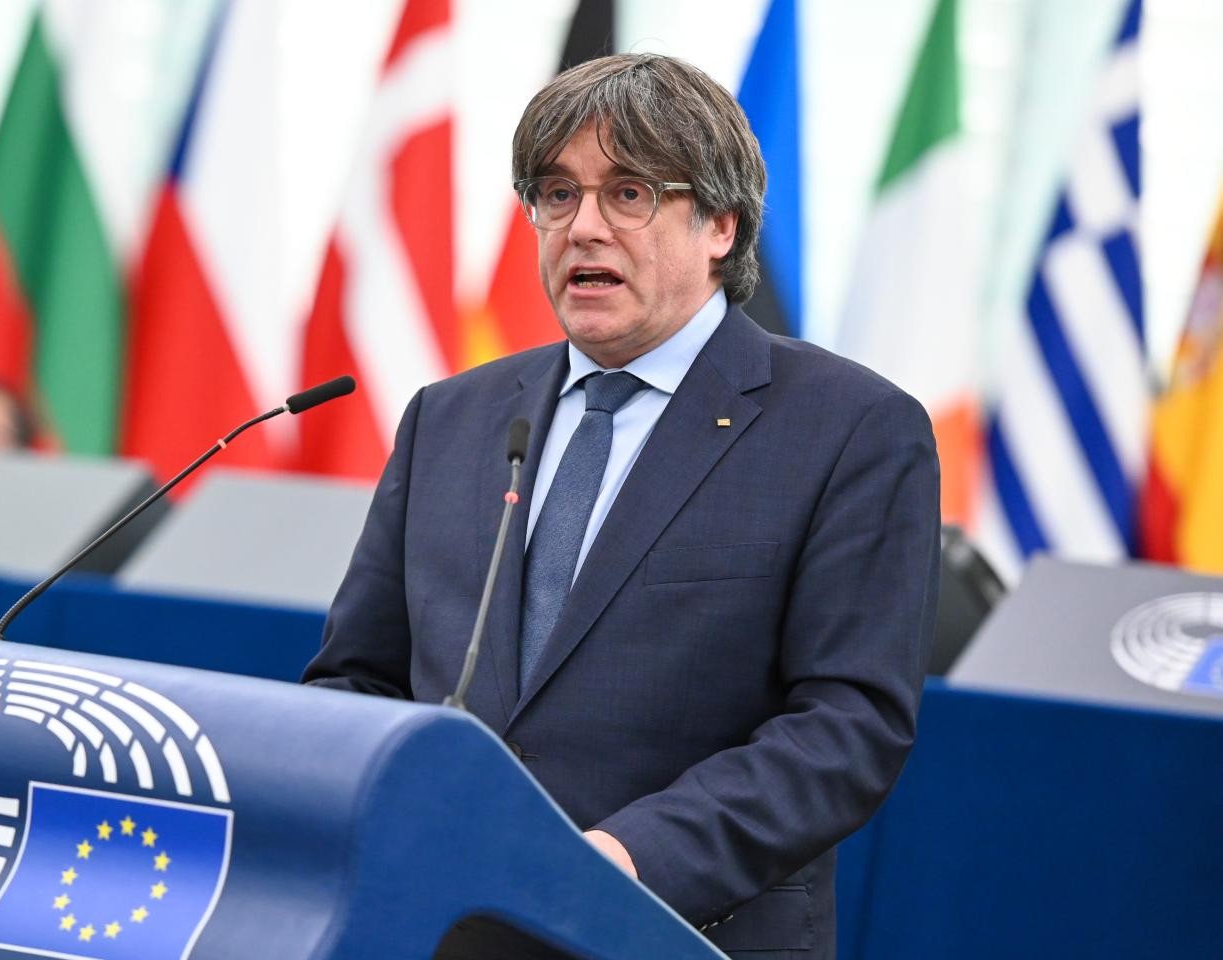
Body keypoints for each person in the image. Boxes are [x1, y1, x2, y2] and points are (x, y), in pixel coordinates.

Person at [302, 54, 939, 959]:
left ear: (720, 223)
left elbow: (847, 727)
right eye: (557, 194)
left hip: (676, 929)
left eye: (629, 193)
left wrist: (626, 857)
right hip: (442, 924)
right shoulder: (452, 417)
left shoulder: (851, 429)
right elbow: (357, 679)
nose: (584, 227)